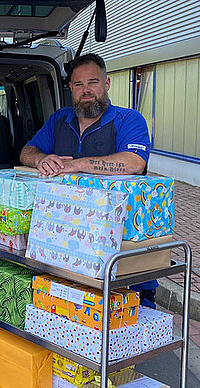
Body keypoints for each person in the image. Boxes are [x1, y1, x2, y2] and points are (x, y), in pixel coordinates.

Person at [18, 52, 157, 306]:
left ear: (106, 83)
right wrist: (41, 159)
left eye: (93, 82)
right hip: (63, 240)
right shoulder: (60, 119)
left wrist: (77, 165)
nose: (86, 90)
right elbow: (27, 151)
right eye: (79, 84)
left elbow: (136, 163)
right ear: (70, 88)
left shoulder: (129, 119)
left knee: (121, 318)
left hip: (119, 243)